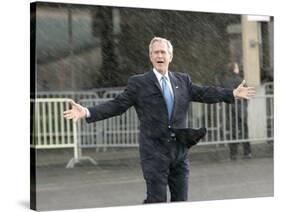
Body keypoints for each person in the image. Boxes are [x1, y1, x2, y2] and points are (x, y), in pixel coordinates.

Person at [63, 37, 256, 203]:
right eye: (155, 53)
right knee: (156, 201)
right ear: (150, 57)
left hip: (179, 152)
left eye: (163, 52)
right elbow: (117, 105)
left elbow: (205, 92)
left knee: (181, 201)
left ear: (170, 56)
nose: (159, 56)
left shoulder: (182, 80)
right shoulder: (139, 83)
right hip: (154, 153)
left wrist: (231, 93)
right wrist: (88, 111)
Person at [220, 62, 252, 160]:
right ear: (235, 69)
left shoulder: (225, 81)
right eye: (237, 67)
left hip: (230, 108)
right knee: (244, 130)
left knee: (233, 131)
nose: (238, 69)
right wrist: (245, 104)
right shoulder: (240, 80)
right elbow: (247, 94)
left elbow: (223, 93)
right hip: (241, 108)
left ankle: (233, 154)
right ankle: (247, 152)